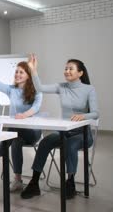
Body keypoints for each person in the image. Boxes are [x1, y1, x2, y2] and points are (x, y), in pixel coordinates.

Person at [21, 54, 99, 200]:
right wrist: (33, 70)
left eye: (71, 68)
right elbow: (40, 87)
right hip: (64, 132)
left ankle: (70, 182)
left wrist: (84, 116)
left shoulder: (89, 89)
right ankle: (34, 183)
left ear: (80, 73)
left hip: (82, 134)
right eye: (66, 68)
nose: (67, 71)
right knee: (45, 143)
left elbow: (95, 113)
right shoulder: (61, 87)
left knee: (70, 144)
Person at [0, 51, 43, 192]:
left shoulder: (37, 90)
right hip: (17, 134)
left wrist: (24, 115)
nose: (17, 74)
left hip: (33, 132)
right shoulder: (12, 90)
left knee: (10, 134)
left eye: (21, 72)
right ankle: (18, 180)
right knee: (14, 140)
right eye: (16, 72)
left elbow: (36, 107)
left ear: (28, 75)